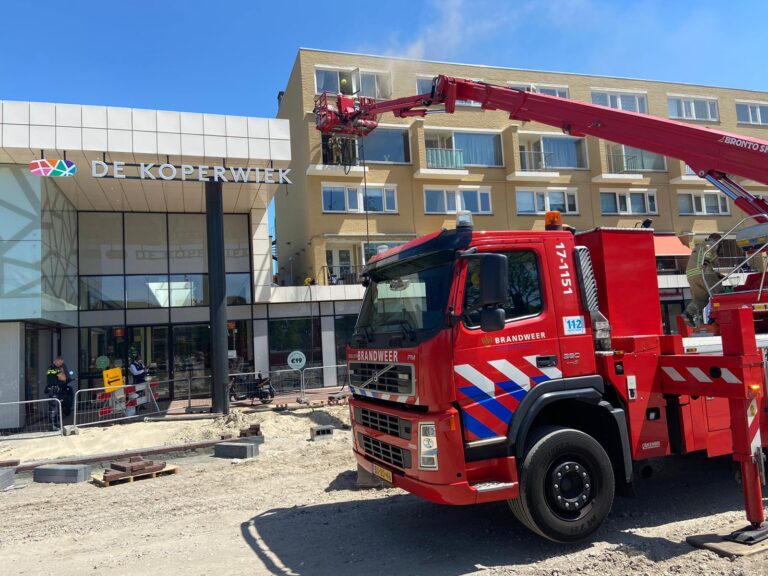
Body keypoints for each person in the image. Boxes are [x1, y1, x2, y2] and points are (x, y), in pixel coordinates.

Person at [683, 233, 723, 327]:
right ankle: (715, 318)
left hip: (691, 275)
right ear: (717, 239)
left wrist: (715, 273)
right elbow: (709, 253)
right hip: (704, 273)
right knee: (719, 294)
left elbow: (700, 260)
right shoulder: (711, 243)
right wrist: (705, 264)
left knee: (700, 299)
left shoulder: (698, 247)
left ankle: (688, 313)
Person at [45, 356, 72, 430]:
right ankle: (52, 426)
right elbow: (63, 378)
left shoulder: (52, 367)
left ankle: (55, 425)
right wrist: (62, 371)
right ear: (57, 361)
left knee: (56, 408)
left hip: (56, 391)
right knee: (53, 409)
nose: (61, 365)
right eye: (61, 363)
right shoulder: (54, 368)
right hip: (53, 391)